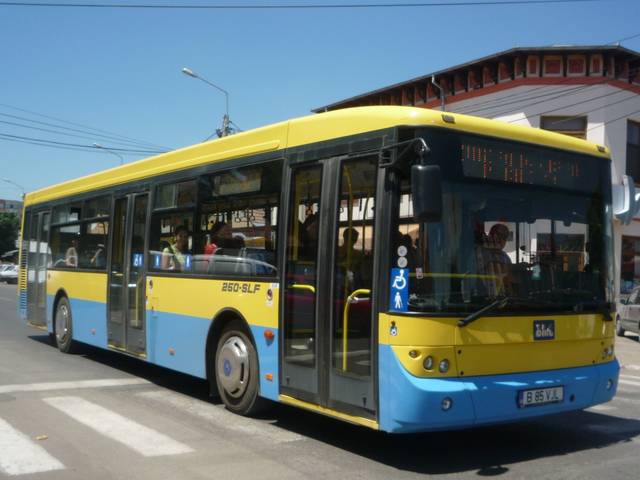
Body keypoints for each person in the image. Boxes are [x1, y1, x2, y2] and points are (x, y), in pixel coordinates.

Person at [478, 223, 512, 295]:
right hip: (482, 295)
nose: (501, 240)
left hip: (501, 295)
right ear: (491, 235)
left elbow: (508, 278)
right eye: (499, 235)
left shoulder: (505, 257)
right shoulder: (480, 252)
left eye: (504, 237)